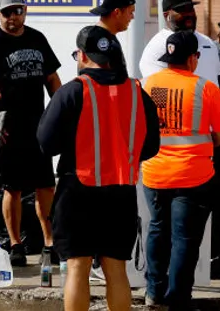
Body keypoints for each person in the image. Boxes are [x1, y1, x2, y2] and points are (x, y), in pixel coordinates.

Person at [37, 26, 161, 311]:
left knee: (78, 267)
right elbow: (151, 146)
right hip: (121, 191)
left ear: (81, 55)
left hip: (78, 189)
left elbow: (46, 143)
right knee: (116, 269)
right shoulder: (137, 93)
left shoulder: (72, 92)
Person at [138, 0, 220, 281]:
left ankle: (215, 259)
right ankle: (169, 282)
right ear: (167, 14)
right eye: (183, 10)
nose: (190, 14)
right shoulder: (158, 48)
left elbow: (219, 86)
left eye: (191, 8)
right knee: (173, 227)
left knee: (218, 204)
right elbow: (161, 95)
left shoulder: (206, 44)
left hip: (212, 143)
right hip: (174, 149)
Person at [0, 0, 62, 267]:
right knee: (12, 188)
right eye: (8, 11)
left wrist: (57, 112)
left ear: (25, 10)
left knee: (46, 184)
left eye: (18, 10)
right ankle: (15, 244)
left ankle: (50, 242)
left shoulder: (37, 38)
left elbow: (52, 79)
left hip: (38, 123)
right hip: (8, 125)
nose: (14, 16)